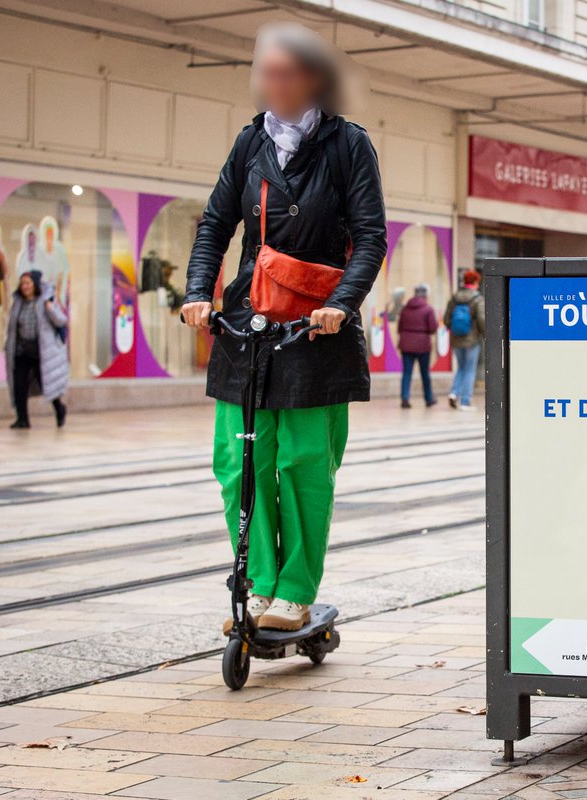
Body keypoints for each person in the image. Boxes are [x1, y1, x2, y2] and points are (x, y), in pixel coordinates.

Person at [180, 22, 386, 632]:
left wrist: (342, 305)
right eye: (263, 72)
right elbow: (216, 224)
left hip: (314, 328)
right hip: (248, 321)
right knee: (239, 461)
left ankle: (294, 589)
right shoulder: (249, 143)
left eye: (284, 72)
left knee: (301, 463)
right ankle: (256, 586)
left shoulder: (349, 144)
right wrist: (198, 293)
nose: (270, 83)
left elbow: (371, 237)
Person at [4, 271, 68, 429]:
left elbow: (61, 321)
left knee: (46, 382)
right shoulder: (18, 302)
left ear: (35, 285)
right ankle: (22, 419)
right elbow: (13, 328)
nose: (25, 286)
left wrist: (51, 308)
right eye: (23, 283)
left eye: (28, 283)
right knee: (19, 384)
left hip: (41, 351)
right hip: (21, 350)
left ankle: (59, 409)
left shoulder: (46, 300)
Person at [444, 270, 484, 412]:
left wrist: (455, 330)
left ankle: (454, 393)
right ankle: (466, 401)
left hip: (456, 340)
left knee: (461, 368)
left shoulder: (454, 298)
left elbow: (446, 319)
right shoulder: (477, 299)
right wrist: (485, 334)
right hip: (471, 341)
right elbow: (482, 320)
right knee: (469, 370)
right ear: (474, 282)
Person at [396, 283, 438, 409]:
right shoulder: (428, 309)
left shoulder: (405, 308)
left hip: (406, 344)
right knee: (425, 373)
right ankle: (429, 398)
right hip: (423, 345)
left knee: (406, 373)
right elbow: (433, 328)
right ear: (425, 295)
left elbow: (399, 327)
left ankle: (405, 398)